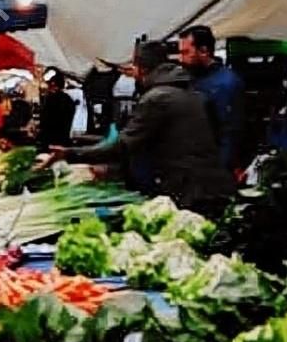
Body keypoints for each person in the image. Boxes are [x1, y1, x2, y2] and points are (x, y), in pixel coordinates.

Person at [51, 41, 235, 213]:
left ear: (141, 68)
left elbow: (124, 146)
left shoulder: (156, 98)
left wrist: (69, 153)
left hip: (187, 192)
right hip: (211, 186)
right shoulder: (194, 93)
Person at [178, 26, 245, 171]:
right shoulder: (190, 78)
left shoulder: (225, 83)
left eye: (186, 52)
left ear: (203, 51)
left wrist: (220, 170)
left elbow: (229, 132)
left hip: (211, 166)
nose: (181, 59)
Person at [38, 69, 77, 150]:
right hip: (64, 140)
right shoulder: (68, 99)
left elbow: (45, 121)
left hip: (50, 141)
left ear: (53, 83)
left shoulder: (51, 99)